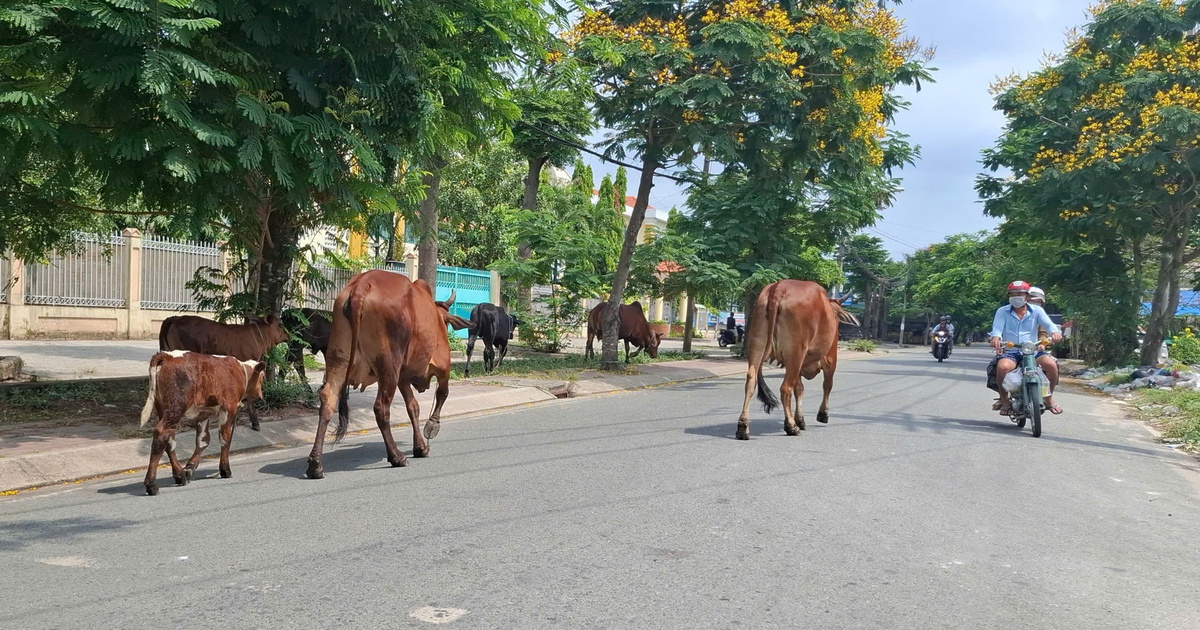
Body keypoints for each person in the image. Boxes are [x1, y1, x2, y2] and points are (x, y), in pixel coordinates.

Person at [990, 280, 1064, 416]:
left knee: (1051, 365)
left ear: (1027, 297)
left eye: (1020, 294)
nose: (1016, 297)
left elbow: (1049, 325)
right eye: (1013, 294)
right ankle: (1005, 400)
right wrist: (996, 338)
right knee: (1002, 367)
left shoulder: (1037, 311)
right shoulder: (1002, 311)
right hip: (1011, 350)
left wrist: (1055, 333)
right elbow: (997, 329)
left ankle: (1048, 398)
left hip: (1032, 350)